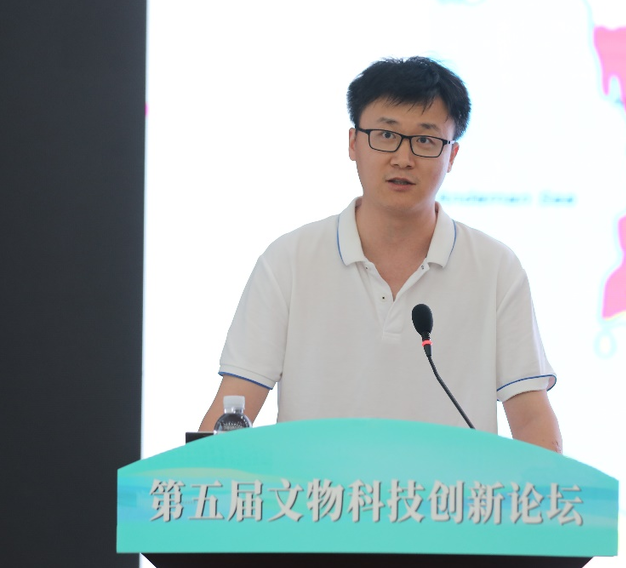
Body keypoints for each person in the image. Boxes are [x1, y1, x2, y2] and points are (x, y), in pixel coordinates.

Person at [199, 56, 563, 452]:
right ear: (353, 143)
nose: (403, 158)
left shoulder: (495, 269)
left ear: (452, 156)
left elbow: (531, 418)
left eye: (425, 140)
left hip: (450, 493)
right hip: (317, 493)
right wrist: (196, 477)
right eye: (386, 135)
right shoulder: (288, 261)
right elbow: (232, 410)